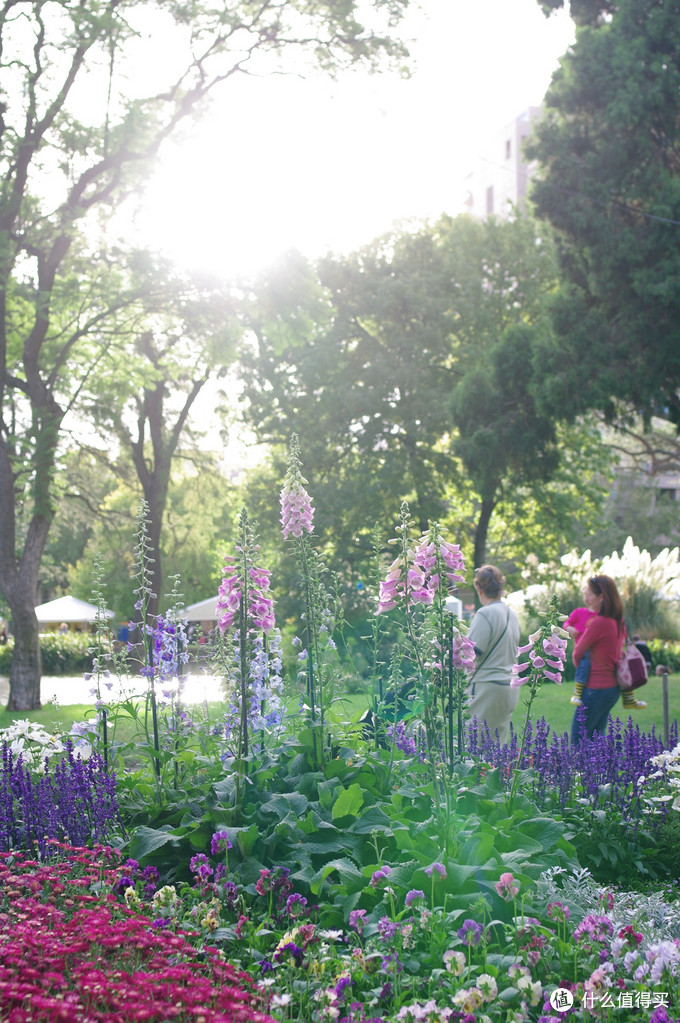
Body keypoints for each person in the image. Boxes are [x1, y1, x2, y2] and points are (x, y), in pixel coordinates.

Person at [466, 564, 521, 744]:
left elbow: (473, 651)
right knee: (498, 747)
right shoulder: (512, 614)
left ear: (479, 588)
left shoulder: (485, 613)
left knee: (474, 746)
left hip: (487, 686)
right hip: (510, 687)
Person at [570, 574, 625, 744]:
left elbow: (578, 653)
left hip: (595, 688)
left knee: (578, 739)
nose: (587, 599)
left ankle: (581, 771)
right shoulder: (619, 621)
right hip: (612, 689)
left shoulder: (599, 622)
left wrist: (581, 669)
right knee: (596, 739)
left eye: (591, 595)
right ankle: (600, 771)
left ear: (601, 597)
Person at [566, 603, 646, 711]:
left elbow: (621, 635)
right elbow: (567, 623)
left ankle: (628, 697)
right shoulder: (580, 612)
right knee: (584, 665)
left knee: (624, 670)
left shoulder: (606, 617)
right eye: (586, 594)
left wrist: (619, 648)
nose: (587, 598)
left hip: (604, 651)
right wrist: (569, 628)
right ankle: (577, 692)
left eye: (590, 594)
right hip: (587, 650)